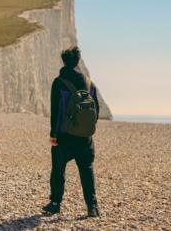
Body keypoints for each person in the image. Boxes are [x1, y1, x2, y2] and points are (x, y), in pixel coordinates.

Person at [43, 46, 100, 217]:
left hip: (64, 135)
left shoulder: (59, 82)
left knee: (58, 170)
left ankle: (55, 204)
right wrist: (87, 128)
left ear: (64, 61)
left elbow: (55, 111)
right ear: (77, 61)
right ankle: (92, 207)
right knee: (86, 169)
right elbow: (95, 109)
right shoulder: (89, 83)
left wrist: (53, 134)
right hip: (85, 137)